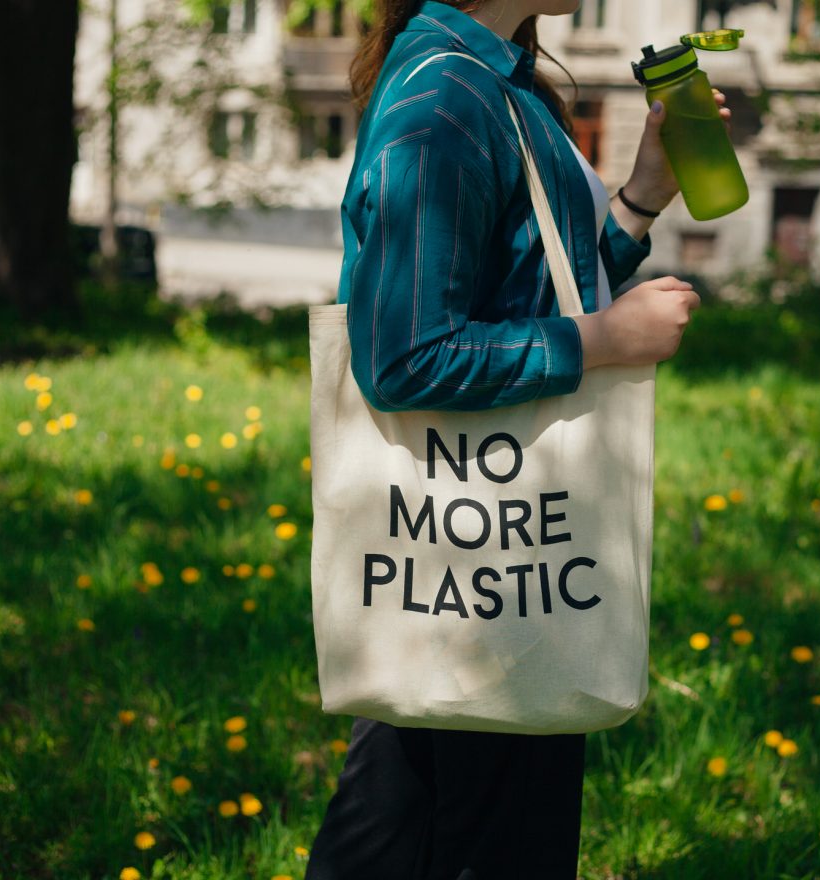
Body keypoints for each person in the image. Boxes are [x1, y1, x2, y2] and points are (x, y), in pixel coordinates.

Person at [305, 1, 731, 877]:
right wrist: (606, 342)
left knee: (394, 822)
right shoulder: (447, 100)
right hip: (494, 556)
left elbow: (533, 286)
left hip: (469, 544)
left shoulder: (497, 79)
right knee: (486, 834)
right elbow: (406, 356)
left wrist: (641, 198)